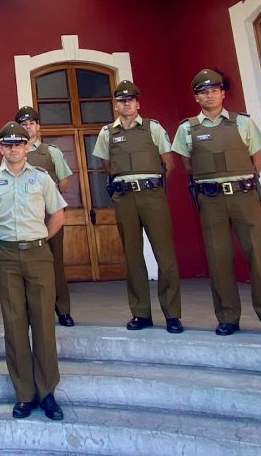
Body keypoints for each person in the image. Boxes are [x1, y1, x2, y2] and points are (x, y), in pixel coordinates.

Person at [172, 69, 261, 340]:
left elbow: (257, 160)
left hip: (243, 196)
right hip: (211, 199)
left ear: (223, 93)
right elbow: (187, 165)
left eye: (214, 90)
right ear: (196, 97)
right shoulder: (186, 128)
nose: (209, 95)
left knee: (257, 257)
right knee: (218, 258)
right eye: (203, 91)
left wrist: (241, 182)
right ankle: (227, 318)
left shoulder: (243, 123)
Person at [0, 121, 66, 421]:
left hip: (39, 253)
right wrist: (8, 239)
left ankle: (47, 391)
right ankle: (24, 394)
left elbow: (57, 215)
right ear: (0, 147)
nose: (14, 149)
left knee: (43, 323)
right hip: (7, 255)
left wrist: (38, 239)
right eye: (8, 144)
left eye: (19, 143)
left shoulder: (41, 179)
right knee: (15, 325)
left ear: (27, 147)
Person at [91, 81, 183, 333]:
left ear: (138, 103)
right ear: (116, 104)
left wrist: (149, 185)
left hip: (152, 195)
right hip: (124, 198)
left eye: (130, 99)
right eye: (121, 100)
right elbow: (106, 166)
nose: (126, 104)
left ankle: (172, 314)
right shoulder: (107, 133)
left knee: (165, 256)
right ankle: (141, 313)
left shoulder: (153, 128)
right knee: (133, 257)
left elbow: (169, 164)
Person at [15, 106, 75, 327]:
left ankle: (63, 310)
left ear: (38, 126)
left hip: (50, 216)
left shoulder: (51, 152)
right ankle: (34, 311)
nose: (28, 127)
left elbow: (64, 181)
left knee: (55, 263)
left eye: (31, 123)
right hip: (25, 218)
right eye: (23, 124)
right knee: (29, 266)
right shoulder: (15, 152)